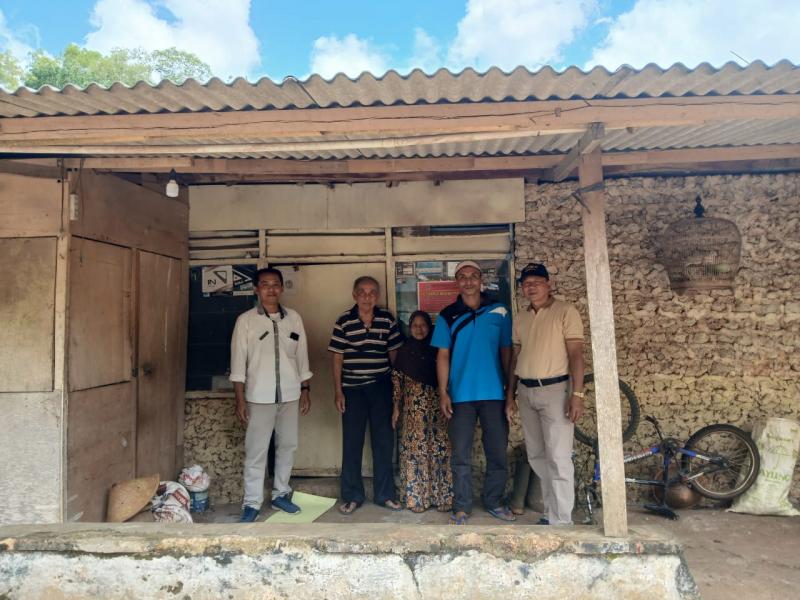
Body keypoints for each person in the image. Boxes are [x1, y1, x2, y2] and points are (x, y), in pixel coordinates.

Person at [431, 260, 515, 525]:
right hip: (460, 396)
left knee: (497, 453)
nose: (468, 281)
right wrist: (443, 393)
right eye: (462, 276)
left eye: (473, 276)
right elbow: (442, 356)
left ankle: (494, 501)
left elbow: (507, 351)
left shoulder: (500, 311)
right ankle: (462, 506)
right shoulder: (447, 315)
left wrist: (510, 393)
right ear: (457, 282)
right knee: (460, 456)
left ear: (481, 280)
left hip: (494, 394)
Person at [230, 267, 312, 522]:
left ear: (282, 288)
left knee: (287, 446)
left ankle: (280, 494)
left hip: (290, 394)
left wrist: (305, 389)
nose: (271, 289)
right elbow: (238, 362)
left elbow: (301, 356)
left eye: (275, 284)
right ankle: (252, 503)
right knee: (256, 450)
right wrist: (240, 399)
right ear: (256, 289)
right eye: (265, 284)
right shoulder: (246, 321)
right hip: (258, 396)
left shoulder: (293, 319)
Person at [506, 263, 585, 525]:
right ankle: (551, 513)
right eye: (526, 283)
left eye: (536, 282)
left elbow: (576, 354)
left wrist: (577, 394)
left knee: (559, 457)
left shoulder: (565, 311)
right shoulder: (521, 317)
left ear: (548, 284)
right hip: (526, 391)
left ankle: (562, 521)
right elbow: (516, 357)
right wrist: (510, 395)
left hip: (555, 391)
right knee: (537, 456)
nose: (531, 287)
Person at [328, 275, 404, 515]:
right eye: (362, 292)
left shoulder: (386, 319)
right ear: (355, 295)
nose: (367, 297)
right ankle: (352, 496)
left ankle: (385, 495)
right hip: (352, 390)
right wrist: (338, 391)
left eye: (372, 293)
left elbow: (394, 356)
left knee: (384, 443)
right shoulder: (344, 321)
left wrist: (396, 392)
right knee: (352, 443)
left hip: (382, 388)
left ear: (377, 296)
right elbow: (337, 357)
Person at [391, 310, 454, 513]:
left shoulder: (438, 351)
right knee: (415, 452)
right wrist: (395, 407)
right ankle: (416, 499)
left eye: (423, 325)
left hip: (438, 408)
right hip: (413, 413)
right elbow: (397, 381)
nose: (419, 329)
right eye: (415, 325)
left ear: (430, 327)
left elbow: (449, 377)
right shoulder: (404, 351)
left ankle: (442, 497)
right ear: (410, 328)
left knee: (440, 450)